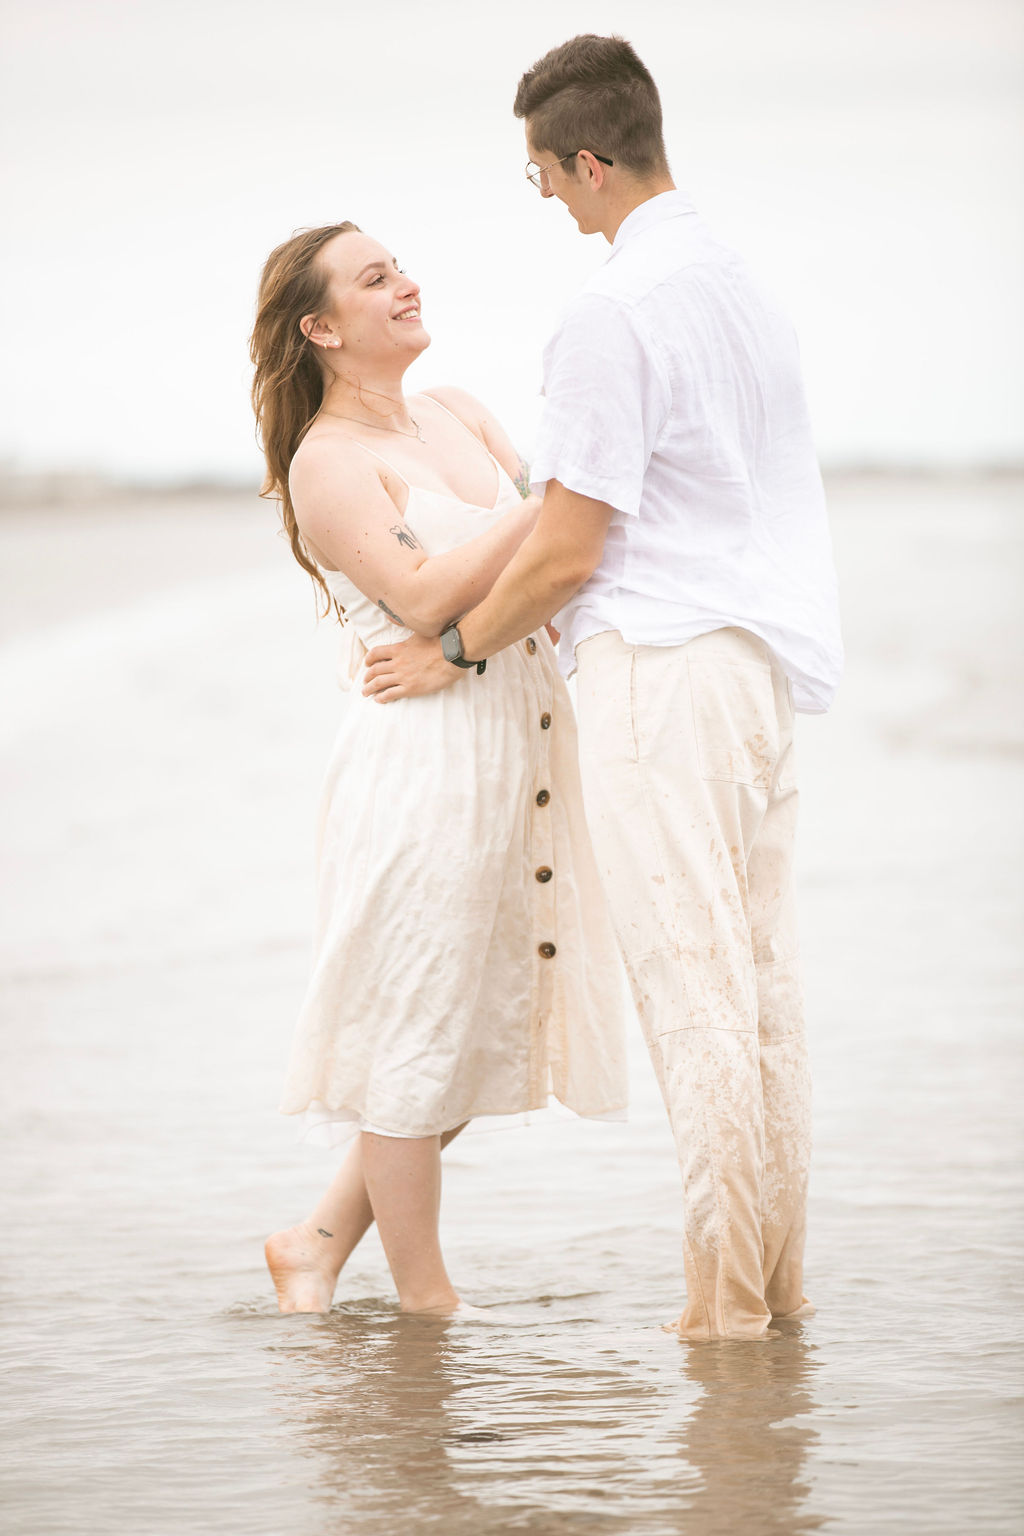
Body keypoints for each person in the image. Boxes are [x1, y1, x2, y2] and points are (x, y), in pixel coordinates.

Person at [361, 36, 844, 1341]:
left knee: (693, 991)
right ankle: (775, 1286)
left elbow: (572, 543)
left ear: (587, 158)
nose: (543, 197)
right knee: (763, 995)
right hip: (758, 675)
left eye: (540, 172)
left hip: (664, 673)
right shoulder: (746, 288)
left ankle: (723, 1307)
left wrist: (454, 652)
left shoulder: (611, 312)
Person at [250, 222, 629, 1318]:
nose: (406, 284)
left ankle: (315, 1241)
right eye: (375, 279)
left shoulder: (458, 409)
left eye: (400, 266)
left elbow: (564, 556)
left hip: (526, 741)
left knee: (474, 1018)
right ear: (321, 328)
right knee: (418, 1032)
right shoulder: (326, 463)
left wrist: (554, 514)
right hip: (426, 762)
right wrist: (549, 503)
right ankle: (428, 1308)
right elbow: (425, 601)